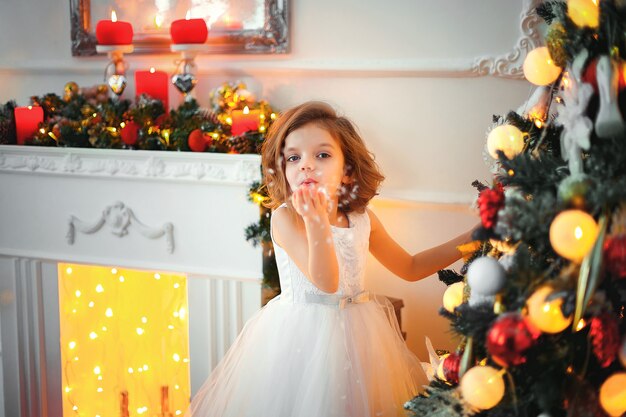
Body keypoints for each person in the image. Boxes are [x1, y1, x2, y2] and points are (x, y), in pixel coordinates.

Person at [187, 101, 475, 417]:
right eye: (293, 157)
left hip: (360, 335)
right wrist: (316, 221)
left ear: (347, 166)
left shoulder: (362, 218)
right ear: (282, 168)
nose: (306, 165)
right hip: (301, 343)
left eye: (322, 155)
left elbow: (410, 267)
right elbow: (326, 282)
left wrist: (473, 240)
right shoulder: (287, 219)